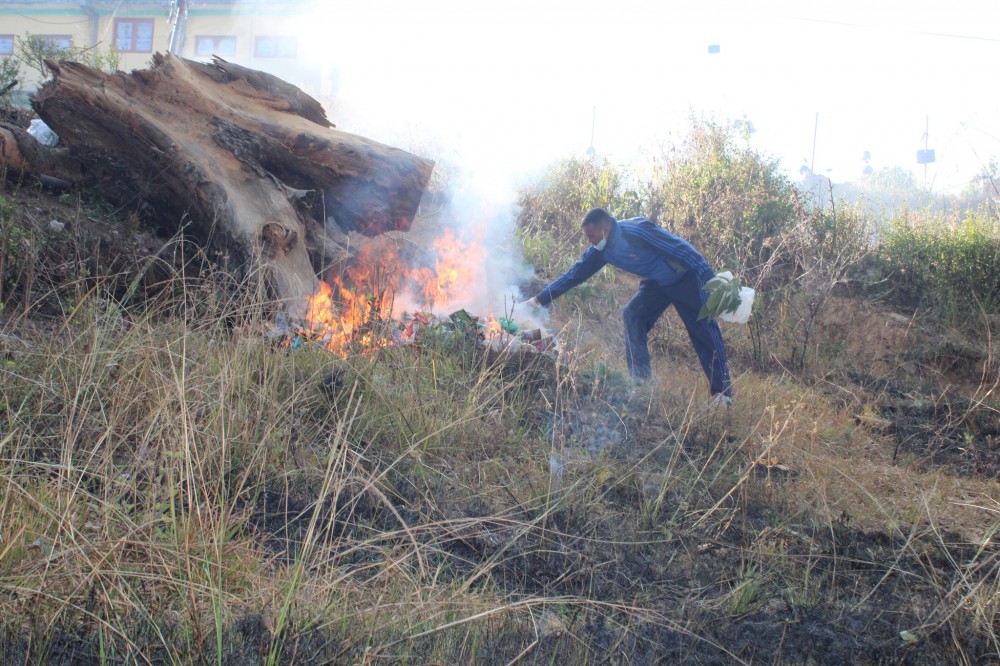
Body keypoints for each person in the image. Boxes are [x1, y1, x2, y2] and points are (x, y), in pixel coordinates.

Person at [521, 208, 733, 405]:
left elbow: (682, 249)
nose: (590, 242)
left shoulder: (637, 230)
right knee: (633, 315)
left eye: (591, 236)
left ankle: (723, 395)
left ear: (604, 230)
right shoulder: (600, 251)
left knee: (703, 330)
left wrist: (711, 279)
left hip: (684, 278)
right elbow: (573, 275)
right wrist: (537, 300)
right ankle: (641, 383)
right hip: (656, 283)